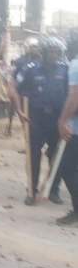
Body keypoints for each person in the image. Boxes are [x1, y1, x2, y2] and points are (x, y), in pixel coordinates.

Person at [13, 37, 69, 206]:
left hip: (56, 118)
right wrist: (19, 111)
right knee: (33, 154)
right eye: (51, 52)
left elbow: (71, 92)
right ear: (44, 52)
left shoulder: (64, 69)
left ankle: (53, 190)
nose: (54, 55)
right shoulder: (30, 69)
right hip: (35, 117)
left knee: (56, 155)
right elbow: (16, 89)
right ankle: (31, 190)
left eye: (57, 52)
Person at [56, 29, 78, 227]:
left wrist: (62, 121)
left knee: (67, 167)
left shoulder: (75, 65)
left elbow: (74, 96)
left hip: (75, 128)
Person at [7, 38, 42, 136]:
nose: (36, 49)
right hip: (23, 92)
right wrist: (11, 89)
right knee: (25, 117)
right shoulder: (20, 61)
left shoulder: (42, 60)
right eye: (33, 47)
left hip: (37, 94)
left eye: (37, 47)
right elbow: (14, 76)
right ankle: (28, 139)